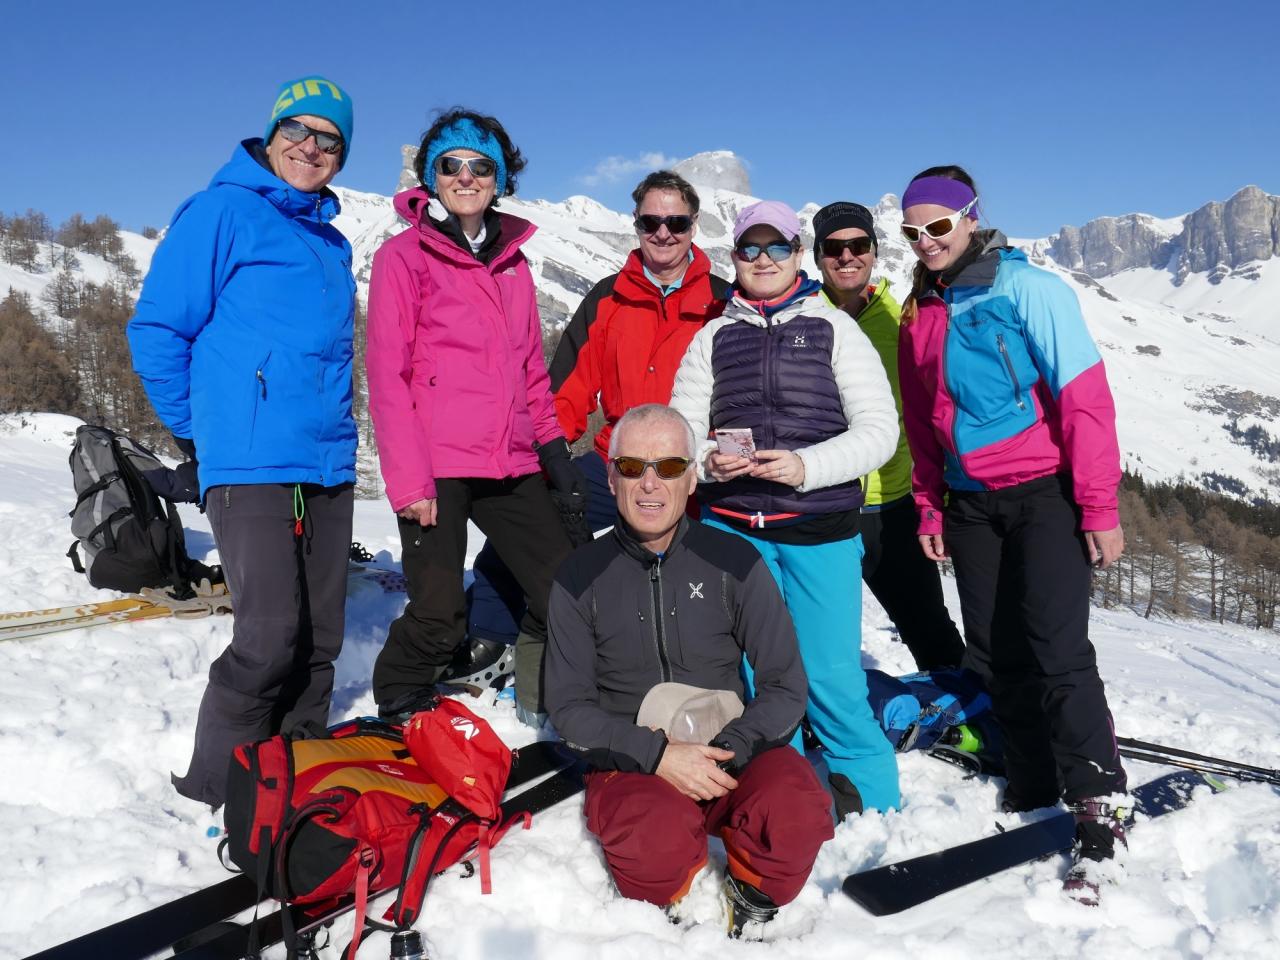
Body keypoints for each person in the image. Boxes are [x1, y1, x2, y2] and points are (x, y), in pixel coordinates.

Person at [895, 165, 1128, 896]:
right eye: (912, 232)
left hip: (1044, 496)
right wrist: (930, 505)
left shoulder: (1030, 289)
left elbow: (1083, 401)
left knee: (1057, 648)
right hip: (969, 506)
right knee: (995, 654)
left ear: (970, 218)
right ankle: (1030, 784)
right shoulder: (921, 310)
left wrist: (1099, 504)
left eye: (938, 226)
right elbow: (923, 420)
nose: (926, 242)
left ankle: (1098, 800)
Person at [127, 76, 358, 809]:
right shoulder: (222, 211)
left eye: (329, 139)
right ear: (271, 132)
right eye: (299, 129)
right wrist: (201, 434)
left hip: (325, 459)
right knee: (267, 636)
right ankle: (216, 788)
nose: (310, 148)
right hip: (251, 463)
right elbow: (158, 331)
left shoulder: (332, 239)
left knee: (320, 640)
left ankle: (295, 775)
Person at [545, 404, 833, 939]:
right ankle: (677, 896)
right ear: (611, 475)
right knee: (652, 835)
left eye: (669, 467)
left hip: (728, 752)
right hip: (634, 764)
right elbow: (568, 707)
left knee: (796, 801)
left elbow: (785, 683)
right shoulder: (579, 577)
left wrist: (733, 748)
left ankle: (753, 891)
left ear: (692, 476)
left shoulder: (735, 561)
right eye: (632, 468)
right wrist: (657, 756)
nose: (650, 485)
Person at [670, 200, 901, 820]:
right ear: (735, 258)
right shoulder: (712, 338)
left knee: (830, 677)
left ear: (799, 255)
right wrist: (701, 465)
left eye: (777, 248)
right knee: (754, 682)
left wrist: (806, 468)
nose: (764, 259)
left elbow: (880, 431)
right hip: (733, 533)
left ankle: (879, 811)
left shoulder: (835, 328)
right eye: (750, 248)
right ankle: (783, 797)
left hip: (818, 530)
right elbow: (684, 428)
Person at [364, 108, 578, 727]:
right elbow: (388, 378)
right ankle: (397, 705)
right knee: (436, 614)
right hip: (438, 464)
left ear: (500, 178)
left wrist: (555, 455)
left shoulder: (512, 263)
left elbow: (531, 371)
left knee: (567, 588)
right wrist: (409, 483)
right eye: (450, 165)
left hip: (508, 457)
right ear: (431, 176)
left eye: (480, 166)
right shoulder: (403, 259)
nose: (465, 176)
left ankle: (565, 694)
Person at [467, 170, 729, 647]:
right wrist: (543, 459)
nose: (663, 233)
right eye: (651, 222)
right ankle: (488, 635)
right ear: (637, 225)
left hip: (697, 467)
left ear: (694, 226)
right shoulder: (609, 297)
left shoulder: (721, 302)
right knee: (526, 517)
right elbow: (569, 387)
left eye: (676, 221)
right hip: (619, 461)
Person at [812, 201, 965, 670]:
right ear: (817, 256)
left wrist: (940, 495)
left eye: (858, 246)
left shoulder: (903, 319)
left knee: (926, 623)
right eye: (834, 248)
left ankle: (967, 711)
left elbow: (934, 408)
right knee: (815, 635)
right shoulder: (799, 318)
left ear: (875, 252)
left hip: (891, 503)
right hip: (820, 506)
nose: (846, 257)